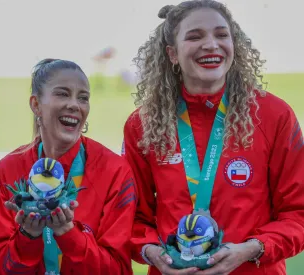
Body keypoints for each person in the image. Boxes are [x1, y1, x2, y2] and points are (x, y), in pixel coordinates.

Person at [123, 1, 304, 275]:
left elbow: (298, 213)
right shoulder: (143, 124)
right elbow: (132, 217)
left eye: (221, 35)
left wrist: (252, 249)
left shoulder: (273, 115)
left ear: (235, 45)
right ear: (172, 54)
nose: (211, 45)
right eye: (195, 36)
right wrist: (155, 254)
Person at [0, 58, 136, 275]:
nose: (75, 105)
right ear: (36, 104)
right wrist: (28, 237)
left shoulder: (115, 170)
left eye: (83, 98)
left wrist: (69, 234)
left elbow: (118, 269)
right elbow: (2, 267)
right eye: (62, 94)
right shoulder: (9, 169)